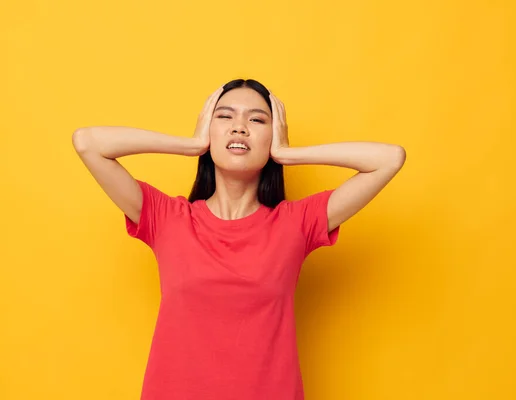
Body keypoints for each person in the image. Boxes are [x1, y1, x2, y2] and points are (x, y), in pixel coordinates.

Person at [72, 78, 406, 399]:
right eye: (224, 116)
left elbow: (389, 159)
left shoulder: (295, 224)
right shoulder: (167, 218)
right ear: (208, 130)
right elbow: (87, 142)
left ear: (272, 137)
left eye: (258, 119)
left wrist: (289, 154)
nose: (239, 127)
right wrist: (190, 145)